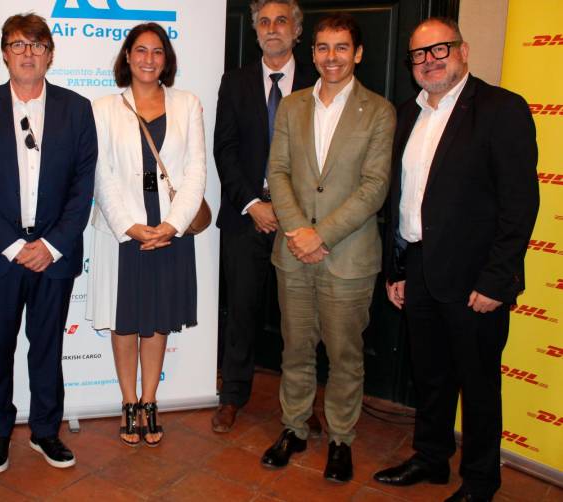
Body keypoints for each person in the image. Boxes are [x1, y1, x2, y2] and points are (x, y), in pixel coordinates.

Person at [374, 18, 539, 502]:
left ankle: (481, 481)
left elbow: (519, 204)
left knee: (479, 384)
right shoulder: (407, 114)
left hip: (475, 278)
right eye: (419, 54)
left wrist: (497, 280)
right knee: (430, 375)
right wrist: (397, 269)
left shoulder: (500, 109)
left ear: (463, 51)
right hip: (419, 268)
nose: (429, 60)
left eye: (438, 49)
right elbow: (401, 199)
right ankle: (431, 458)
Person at [0, 13, 97, 473]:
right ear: (4, 53)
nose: (28, 54)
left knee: (46, 346)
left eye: (37, 46)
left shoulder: (76, 109)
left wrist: (51, 245)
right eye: (18, 45)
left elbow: (83, 185)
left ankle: (44, 431)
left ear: (51, 55)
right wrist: (14, 245)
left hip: (53, 256)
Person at [263, 12, 395, 482]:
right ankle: (295, 427)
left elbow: (375, 187)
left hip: (348, 257)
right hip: (293, 253)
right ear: (312, 52)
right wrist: (299, 231)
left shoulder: (379, 111)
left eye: (341, 47)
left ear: (357, 53)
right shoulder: (293, 106)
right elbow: (277, 172)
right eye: (322, 47)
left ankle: (341, 438)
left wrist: (323, 235)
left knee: (344, 356)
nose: (331, 57)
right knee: (295, 348)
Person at [87, 22, 206, 447]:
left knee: (156, 319)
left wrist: (171, 225)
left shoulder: (188, 104)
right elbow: (101, 175)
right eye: (141, 50)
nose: (148, 59)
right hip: (123, 232)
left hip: (171, 227)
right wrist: (130, 227)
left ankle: (150, 401)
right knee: (125, 320)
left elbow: (195, 171)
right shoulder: (103, 108)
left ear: (166, 60)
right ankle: (127, 399)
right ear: (127, 57)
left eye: (157, 52)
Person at [212, 0, 318, 434]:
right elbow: (226, 149)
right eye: (264, 22)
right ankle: (233, 396)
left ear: (296, 30)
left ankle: (302, 405)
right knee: (241, 311)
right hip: (246, 216)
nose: (272, 29)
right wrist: (252, 205)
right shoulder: (234, 82)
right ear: (255, 30)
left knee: (301, 319)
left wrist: (290, 212)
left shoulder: (320, 81)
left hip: (303, 221)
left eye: (281, 21)